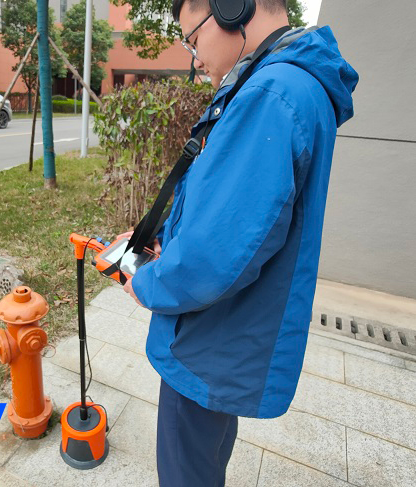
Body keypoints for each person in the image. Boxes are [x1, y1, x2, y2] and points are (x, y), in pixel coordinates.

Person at [119, 0, 359, 485]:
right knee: (206, 459)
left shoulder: (272, 93)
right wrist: (162, 237)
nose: (193, 57)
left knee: (187, 472)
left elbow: (215, 255)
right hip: (229, 332)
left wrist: (146, 280)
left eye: (192, 38)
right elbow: (235, 210)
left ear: (232, 10)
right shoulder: (285, 82)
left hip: (208, 336)